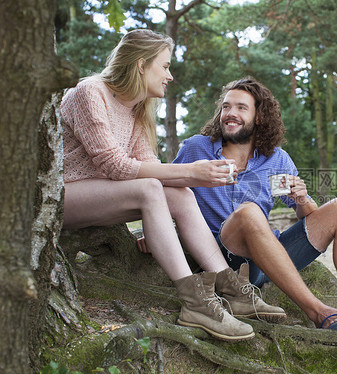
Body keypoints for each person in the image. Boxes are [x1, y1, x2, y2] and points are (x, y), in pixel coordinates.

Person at [60, 31, 286, 342]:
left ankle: (230, 288)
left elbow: (153, 168)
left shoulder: (136, 110)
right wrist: (193, 171)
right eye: (164, 66)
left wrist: (197, 179)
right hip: (61, 196)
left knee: (178, 192)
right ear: (141, 65)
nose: (170, 75)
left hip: (98, 196)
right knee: (151, 188)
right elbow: (114, 166)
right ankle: (196, 304)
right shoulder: (91, 92)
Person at [173, 77, 337, 347]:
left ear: (260, 116)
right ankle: (318, 311)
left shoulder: (277, 159)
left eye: (241, 108)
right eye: (226, 107)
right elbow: (169, 189)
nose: (231, 114)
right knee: (249, 212)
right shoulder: (197, 147)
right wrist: (153, 230)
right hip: (220, 256)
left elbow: (309, 215)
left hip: (268, 258)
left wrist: (301, 199)